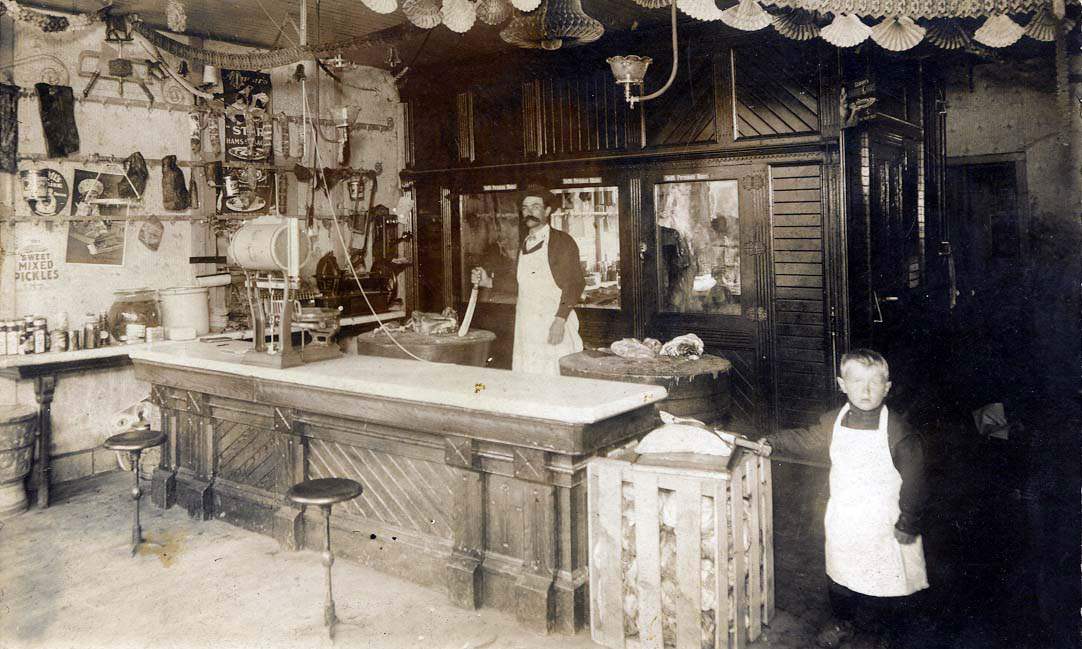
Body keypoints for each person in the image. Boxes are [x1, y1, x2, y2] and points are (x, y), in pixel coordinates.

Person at [763, 349, 928, 649]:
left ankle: (885, 631)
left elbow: (916, 483)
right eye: (857, 381)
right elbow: (805, 439)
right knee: (840, 572)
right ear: (842, 384)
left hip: (885, 522)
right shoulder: (832, 423)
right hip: (845, 518)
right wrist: (771, 442)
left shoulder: (900, 432)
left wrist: (908, 521)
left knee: (886, 577)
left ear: (887, 387)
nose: (865, 390)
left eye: (875, 382)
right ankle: (843, 621)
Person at [472, 185, 585, 375]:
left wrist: (559, 321)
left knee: (554, 376)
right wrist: (488, 281)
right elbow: (522, 283)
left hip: (554, 322)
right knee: (529, 374)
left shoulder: (561, 242)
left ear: (547, 211)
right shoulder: (525, 243)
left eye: (535, 207)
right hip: (527, 323)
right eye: (525, 208)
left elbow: (574, 284)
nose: (529, 212)